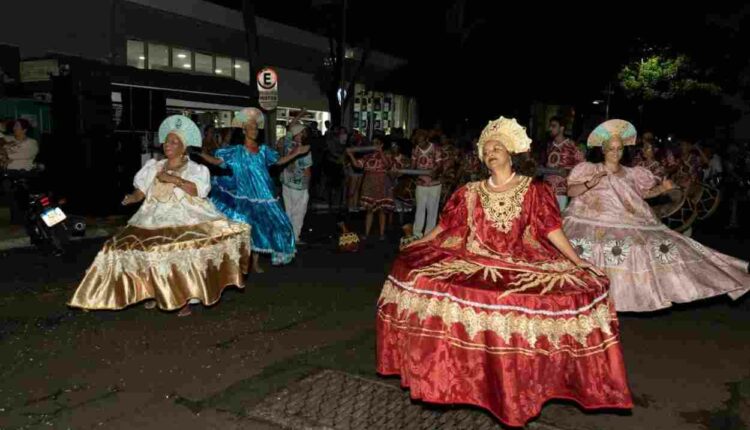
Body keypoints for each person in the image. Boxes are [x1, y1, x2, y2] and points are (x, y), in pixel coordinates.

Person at [377, 116, 632, 427]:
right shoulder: (469, 192)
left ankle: (518, 387)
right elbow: (444, 228)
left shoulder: (534, 190)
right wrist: (419, 244)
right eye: (488, 149)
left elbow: (551, 229)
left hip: (522, 261)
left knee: (544, 301)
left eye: (498, 147)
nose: (492, 152)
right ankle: (466, 379)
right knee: (430, 286)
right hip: (474, 260)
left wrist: (577, 260)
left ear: (511, 153)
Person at [68, 115, 251, 317]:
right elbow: (142, 191)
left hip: (185, 216)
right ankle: (150, 291)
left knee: (177, 253)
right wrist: (132, 197)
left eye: (174, 142)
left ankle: (183, 298)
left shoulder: (196, 169)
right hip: (151, 217)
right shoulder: (153, 166)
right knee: (128, 249)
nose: (168, 145)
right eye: (167, 141)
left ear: (184, 147)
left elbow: (198, 191)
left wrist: (173, 179)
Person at [563, 120, 750, 312]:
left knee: (668, 248)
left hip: (631, 221)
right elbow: (570, 192)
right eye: (611, 149)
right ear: (603, 149)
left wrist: (662, 188)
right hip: (591, 221)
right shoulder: (589, 170)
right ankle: (593, 301)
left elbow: (643, 194)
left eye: (619, 149)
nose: (616, 153)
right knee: (588, 249)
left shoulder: (632, 173)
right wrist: (589, 184)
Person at [200, 108, 309, 272]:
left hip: (263, 196)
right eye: (251, 127)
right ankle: (244, 262)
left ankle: (255, 262)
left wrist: (296, 153)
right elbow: (217, 162)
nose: (254, 130)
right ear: (244, 130)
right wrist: (199, 154)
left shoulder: (264, 151)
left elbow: (278, 162)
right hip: (244, 196)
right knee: (247, 229)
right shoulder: (236, 152)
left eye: (256, 128)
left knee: (275, 225)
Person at [346, 133, 394, 240]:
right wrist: (350, 155)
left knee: (382, 210)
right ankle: (366, 233)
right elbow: (358, 165)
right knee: (369, 210)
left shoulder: (387, 154)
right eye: (373, 143)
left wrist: (380, 152)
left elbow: (388, 165)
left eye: (377, 143)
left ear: (382, 144)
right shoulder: (368, 156)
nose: (374, 145)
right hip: (369, 183)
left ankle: (382, 234)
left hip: (382, 183)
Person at [280, 123, 313, 244]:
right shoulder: (304, 150)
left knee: (288, 210)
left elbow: (289, 128)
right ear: (299, 134)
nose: (304, 133)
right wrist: (308, 187)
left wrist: (300, 114)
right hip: (299, 186)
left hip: (286, 182)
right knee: (298, 212)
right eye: (302, 132)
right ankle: (295, 237)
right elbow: (307, 171)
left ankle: (286, 236)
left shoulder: (287, 144)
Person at [544, 116, 584, 210]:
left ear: (562, 128)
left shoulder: (572, 145)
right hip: (547, 189)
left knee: (560, 219)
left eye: (553, 126)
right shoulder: (549, 145)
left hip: (562, 190)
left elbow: (582, 165)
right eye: (550, 126)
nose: (550, 129)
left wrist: (569, 173)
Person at [411, 129, 444, 237]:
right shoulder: (416, 149)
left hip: (435, 184)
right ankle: (417, 233)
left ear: (426, 139)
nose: (420, 144)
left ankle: (429, 234)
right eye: (418, 142)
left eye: (422, 142)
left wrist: (436, 172)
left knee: (432, 210)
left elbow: (440, 165)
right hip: (421, 183)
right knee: (420, 208)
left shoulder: (435, 149)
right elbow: (413, 166)